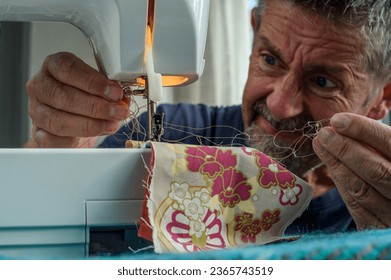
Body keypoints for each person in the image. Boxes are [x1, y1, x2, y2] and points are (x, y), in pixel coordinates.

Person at [24, 0, 391, 233]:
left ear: (380, 100)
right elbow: (34, 218)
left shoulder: (382, 204)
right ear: (253, 33)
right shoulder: (166, 134)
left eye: (322, 82)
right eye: (269, 60)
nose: (280, 106)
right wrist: (55, 156)